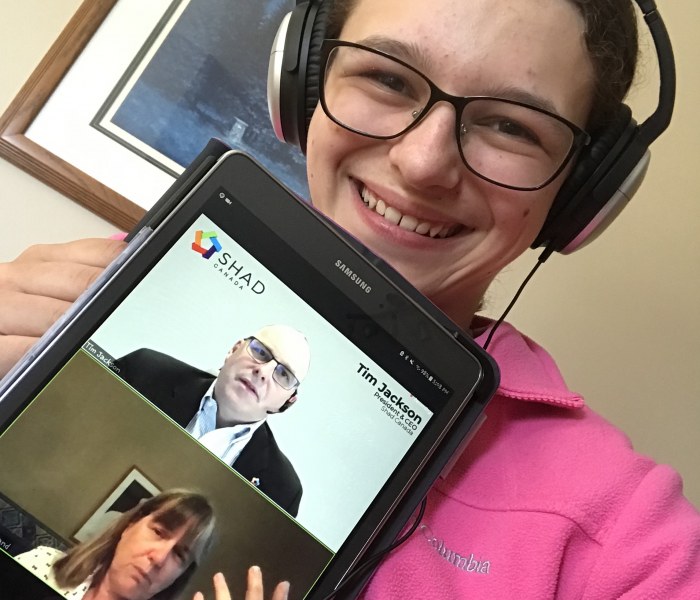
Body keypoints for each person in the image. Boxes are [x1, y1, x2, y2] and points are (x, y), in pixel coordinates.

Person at [1, 0, 699, 598]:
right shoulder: (103, 332)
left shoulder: (630, 536)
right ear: (300, 87)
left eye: (511, 126)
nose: (422, 163)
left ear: (580, 196)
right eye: (388, 78)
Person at [113, 325, 311, 517]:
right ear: (233, 350)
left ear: (288, 401)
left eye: (284, 374)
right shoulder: (144, 373)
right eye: (261, 352)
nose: (263, 372)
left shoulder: (282, 491)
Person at [14, 489, 216, 600]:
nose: (159, 558)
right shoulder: (41, 564)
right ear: (130, 526)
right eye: (158, 532)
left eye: (179, 554)